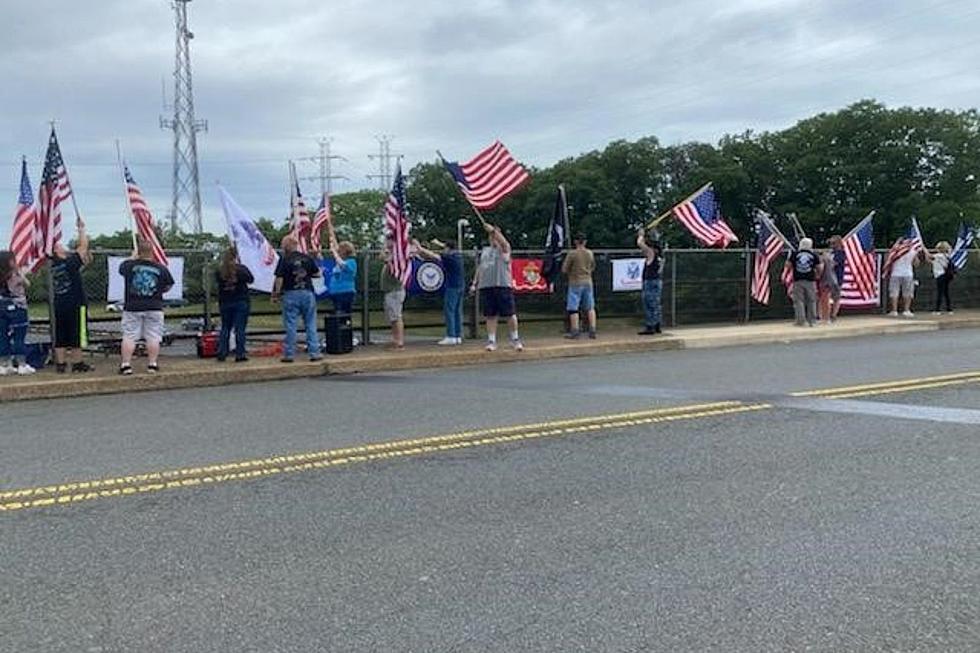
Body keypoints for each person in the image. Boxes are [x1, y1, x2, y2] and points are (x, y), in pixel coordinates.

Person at [119, 236, 175, 375]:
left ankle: (126, 365)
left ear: (138, 252)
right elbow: (168, 285)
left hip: (132, 306)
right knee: (153, 336)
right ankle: (152, 364)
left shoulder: (129, 266)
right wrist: (158, 290)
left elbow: (121, 269)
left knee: (129, 336)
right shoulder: (161, 268)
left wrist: (132, 257)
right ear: (152, 252)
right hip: (154, 306)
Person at [50, 216, 94, 373]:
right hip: (76, 303)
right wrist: (81, 229)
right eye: (59, 246)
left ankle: (61, 364)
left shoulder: (54, 267)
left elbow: (83, 256)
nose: (62, 247)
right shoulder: (69, 263)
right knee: (77, 333)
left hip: (60, 304)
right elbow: (83, 247)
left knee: (61, 334)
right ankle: (78, 363)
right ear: (56, 252)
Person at [470, 223, 523, 352]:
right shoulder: (485, 251)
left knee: (510, 314)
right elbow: (481, 267)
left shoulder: (504, 250)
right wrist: (474, 283)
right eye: (491, 236)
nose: (493, 238)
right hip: (487, 285)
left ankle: (515, 339)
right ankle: (491, 340)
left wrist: (495, 231)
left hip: (502, 284)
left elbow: (504, 243)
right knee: (490, 315)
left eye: (495, 236)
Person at [272, 235, 322, 363]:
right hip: (307, 292)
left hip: (291, 293)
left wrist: (276, 293)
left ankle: (289, 354)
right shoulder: (306, 258)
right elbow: (317, 273)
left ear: (286, 246)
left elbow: (279, 278)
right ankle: (314, 353)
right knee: (310, 323)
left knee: (291, 324)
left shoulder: (284, 259)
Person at [413, 238, 464, 345]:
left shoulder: (448, 257)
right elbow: (447, 247)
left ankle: (451, 335)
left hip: (452, 286)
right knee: (457, 311)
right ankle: (457, 335)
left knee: (449, 310)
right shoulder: (458, 255)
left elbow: (433, 255)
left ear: (448, 249)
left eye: (445, 248)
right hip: (460, 286)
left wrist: (420, 248)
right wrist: (439, 244)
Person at [214, 246, 254, 362]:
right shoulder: (242, 269)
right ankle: (240, 353)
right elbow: (251, 279)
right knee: (240, 328)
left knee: (225, 327)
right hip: (241, 301)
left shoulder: (220, 271)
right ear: (236, 256)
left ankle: (222, 352)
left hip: (225, 302)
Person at [0, 251, 34, 375]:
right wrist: (20, 272)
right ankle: (22, 365)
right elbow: (28, 284)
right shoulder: (15, 275)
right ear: (10, 262)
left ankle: (4, 365)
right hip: (17, 307)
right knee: (19, 336)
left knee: (2, 336)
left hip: (1, 307)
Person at [561, 232, 597, 339]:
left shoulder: (572, 254)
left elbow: (564, 269)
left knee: (573, 308)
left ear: (575, 241)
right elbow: (593, 266)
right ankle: (592, 329)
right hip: (588, 282)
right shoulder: (590, 253)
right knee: (590, 307)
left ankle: (575, 331)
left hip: (575, 282)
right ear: (585, 241)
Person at [784, 237, 823, 327]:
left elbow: (787, 265)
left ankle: (800, 321)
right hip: (810, 280)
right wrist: (818, 275)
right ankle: (812, 321)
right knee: (812, 300)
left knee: (799, 301)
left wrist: (791, 261)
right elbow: (819, 267)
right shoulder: (814, 255)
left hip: (798, 280)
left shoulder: (795, 254)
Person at [324, 213, 358, 315]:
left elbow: (343, 265)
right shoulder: (338, 262)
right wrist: (330, 228)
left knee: (344, 316)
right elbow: (335, 244)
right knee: (337, 316)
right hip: (335, 293)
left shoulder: (351, 262)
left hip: (345, 293)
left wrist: (334, 253)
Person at [636, 229, 664, 335]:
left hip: (650, 280)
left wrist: (641, 235)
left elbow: (639, 243)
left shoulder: (651, 252)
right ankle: (657, 324)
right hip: (658, 279)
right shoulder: (661, 253)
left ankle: (650, 326)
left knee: (648, 303)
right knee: (656, 303)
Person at [380, 246, 406, 350]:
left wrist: (385, 249)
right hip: (390, 291)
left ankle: (399, 342)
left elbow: (383, 258)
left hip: (394, 291)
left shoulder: (397, 260)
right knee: (393, 318)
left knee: (396, 317)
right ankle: (396, 340)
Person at [887, 240, 919, 317]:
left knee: (894, 292)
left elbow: (888, 261)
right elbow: (916, 264)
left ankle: (894, 310)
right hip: (908, 273)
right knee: (908, 292)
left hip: (895, 273)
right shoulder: (912, 251)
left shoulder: (895, 251)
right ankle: (907, 310)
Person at [817, 240, 842, 324]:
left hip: (828, 280)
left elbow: (821, 269)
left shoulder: (836, 255)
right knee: (827, 299)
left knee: (827, 299)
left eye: (833, 243)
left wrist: (817, 275)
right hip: (833, 280)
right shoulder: (831, 256)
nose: (831, 246)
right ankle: (825, 317)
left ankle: (826, 317)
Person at [929, 241, 954, 314]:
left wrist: (924, 249)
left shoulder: (938, 255)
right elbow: (932, 261)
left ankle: (937, 309)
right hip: (946, 275)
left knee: (940, 292)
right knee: (946, 292)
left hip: (940, 275)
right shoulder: (948, 255)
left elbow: (930, 256)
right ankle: (949, 309)